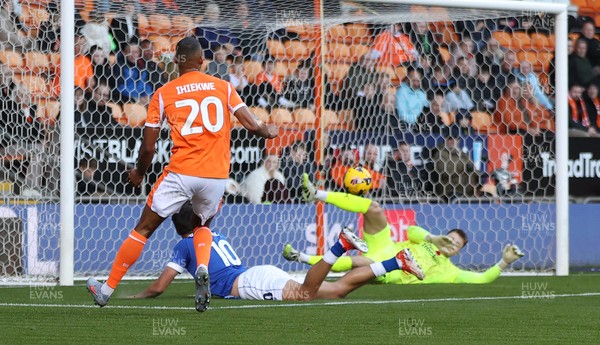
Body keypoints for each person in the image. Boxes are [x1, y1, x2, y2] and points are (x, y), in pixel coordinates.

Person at [86, 37, 279, 313]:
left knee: (143, 229)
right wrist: (267, 130)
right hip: (215, 176)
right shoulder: (223, 87)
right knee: (202, 226)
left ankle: (105, 290)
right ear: (202, 61)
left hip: (182, 171)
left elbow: (149, 146)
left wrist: (139, 173)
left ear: (177, 60)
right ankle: (202, 268)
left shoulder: (164, 93)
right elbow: (251, 124)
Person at [130, 202, 424, 300]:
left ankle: (340, 245)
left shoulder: (184, 244)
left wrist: (133, 296)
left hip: (248, 284)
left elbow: (158, 287)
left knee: (306, 294)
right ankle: (395, 262)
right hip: (255, 275)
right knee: (334, 292)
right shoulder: (210, 233)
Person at [284, 173, 525, 284]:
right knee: (375, 208)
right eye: (450, 238)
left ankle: (302, 257)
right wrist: (433, 237)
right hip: (387, 246)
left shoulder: (450, 272)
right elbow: (410, 231)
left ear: (459, 251)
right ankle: (316, 193)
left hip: (394, 270)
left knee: (361, 262)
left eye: (455, 244)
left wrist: (504, 262)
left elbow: (482, 279)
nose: (450, 243)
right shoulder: (428, 240)